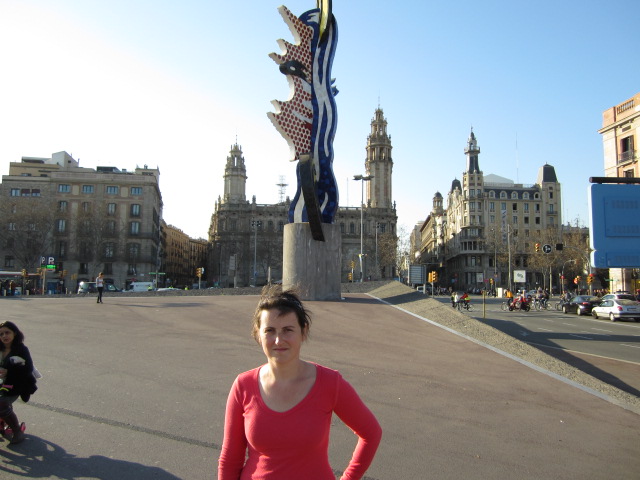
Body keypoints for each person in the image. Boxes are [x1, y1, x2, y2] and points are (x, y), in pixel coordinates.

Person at [218, 286, 382, 480]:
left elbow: (371, 433)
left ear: (303, 332)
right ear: (258, 334)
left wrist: (350, 477)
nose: (278, 340)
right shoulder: (243, 385)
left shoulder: (330, 383)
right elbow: (230, 459)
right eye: (270, 331)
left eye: (288, 330)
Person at [0, 321, 37, 444]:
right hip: (1, 384)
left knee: (1, 404)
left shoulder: (21, 349)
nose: (4, 336)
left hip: (15, 385)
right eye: (1, 334)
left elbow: (28, 369)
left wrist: (8, 371)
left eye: (7, 332)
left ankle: (17, 431)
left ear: (14, 333)